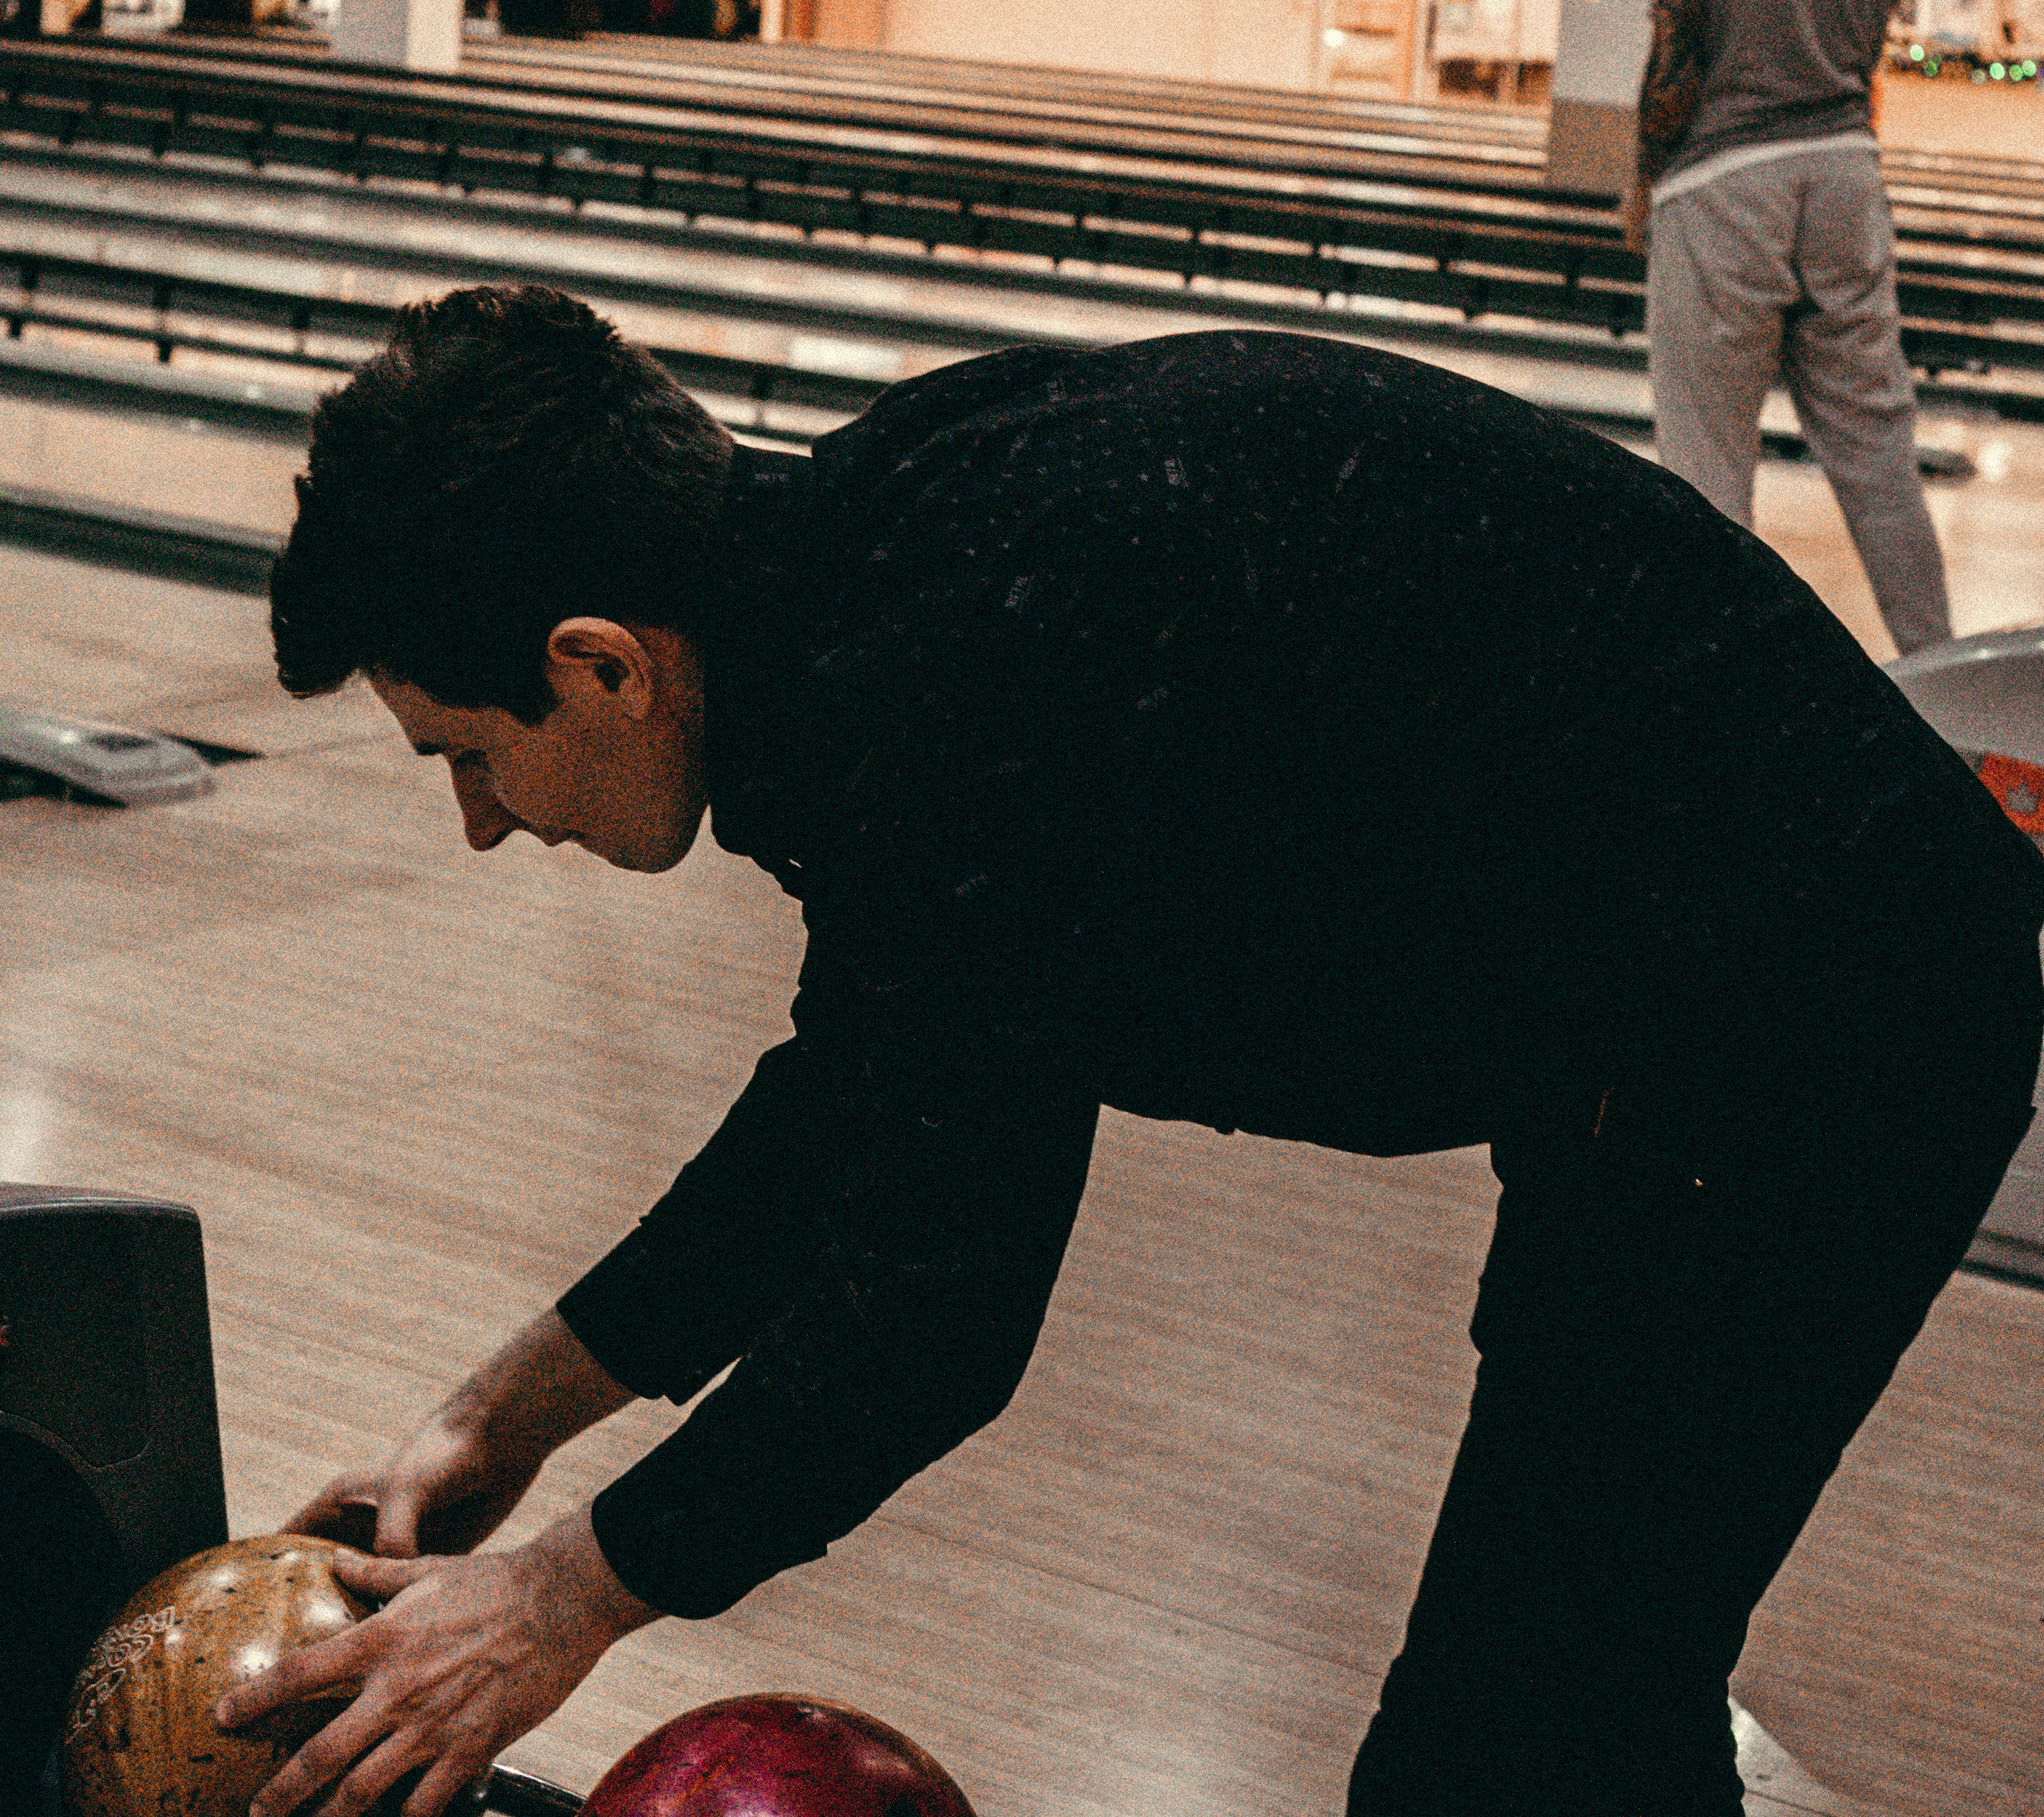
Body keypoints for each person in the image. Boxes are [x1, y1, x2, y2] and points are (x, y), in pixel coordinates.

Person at [230, 287, 2041, 1817]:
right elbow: (860, 1093)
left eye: (465, 751)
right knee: (1562, 1697)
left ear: (603, 664)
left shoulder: (936, 675)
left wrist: (552, 1604)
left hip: (1811, 1019)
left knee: (1515, 1731)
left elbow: (924, 1316)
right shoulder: (857, 581)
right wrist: (500, 1416)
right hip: (1689, 1028)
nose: (478, 819)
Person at [1622, 0, 1950, 654]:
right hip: (1845, 182)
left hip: (1726, 187)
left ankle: (1719, 694)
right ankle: (1945, 687)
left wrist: (1641, 179)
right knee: (1879, 462)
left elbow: (1673, 55)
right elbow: (1863, 61)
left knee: (1706, 467)